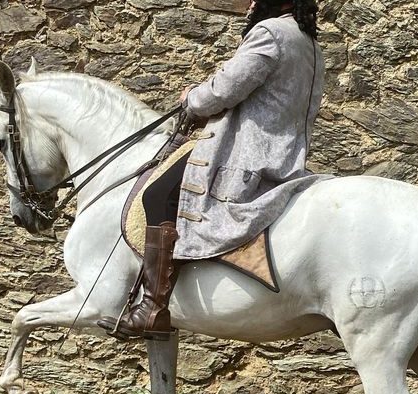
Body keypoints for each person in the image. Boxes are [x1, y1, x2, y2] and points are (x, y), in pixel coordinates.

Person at [98, 0, 324, 340]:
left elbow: (223, 90)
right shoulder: (311, 44)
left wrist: (191, 98)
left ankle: (152, 307)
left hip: (246, 157)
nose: (250, 4)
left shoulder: (270, 33)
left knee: (157, 195)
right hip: (287, 156)